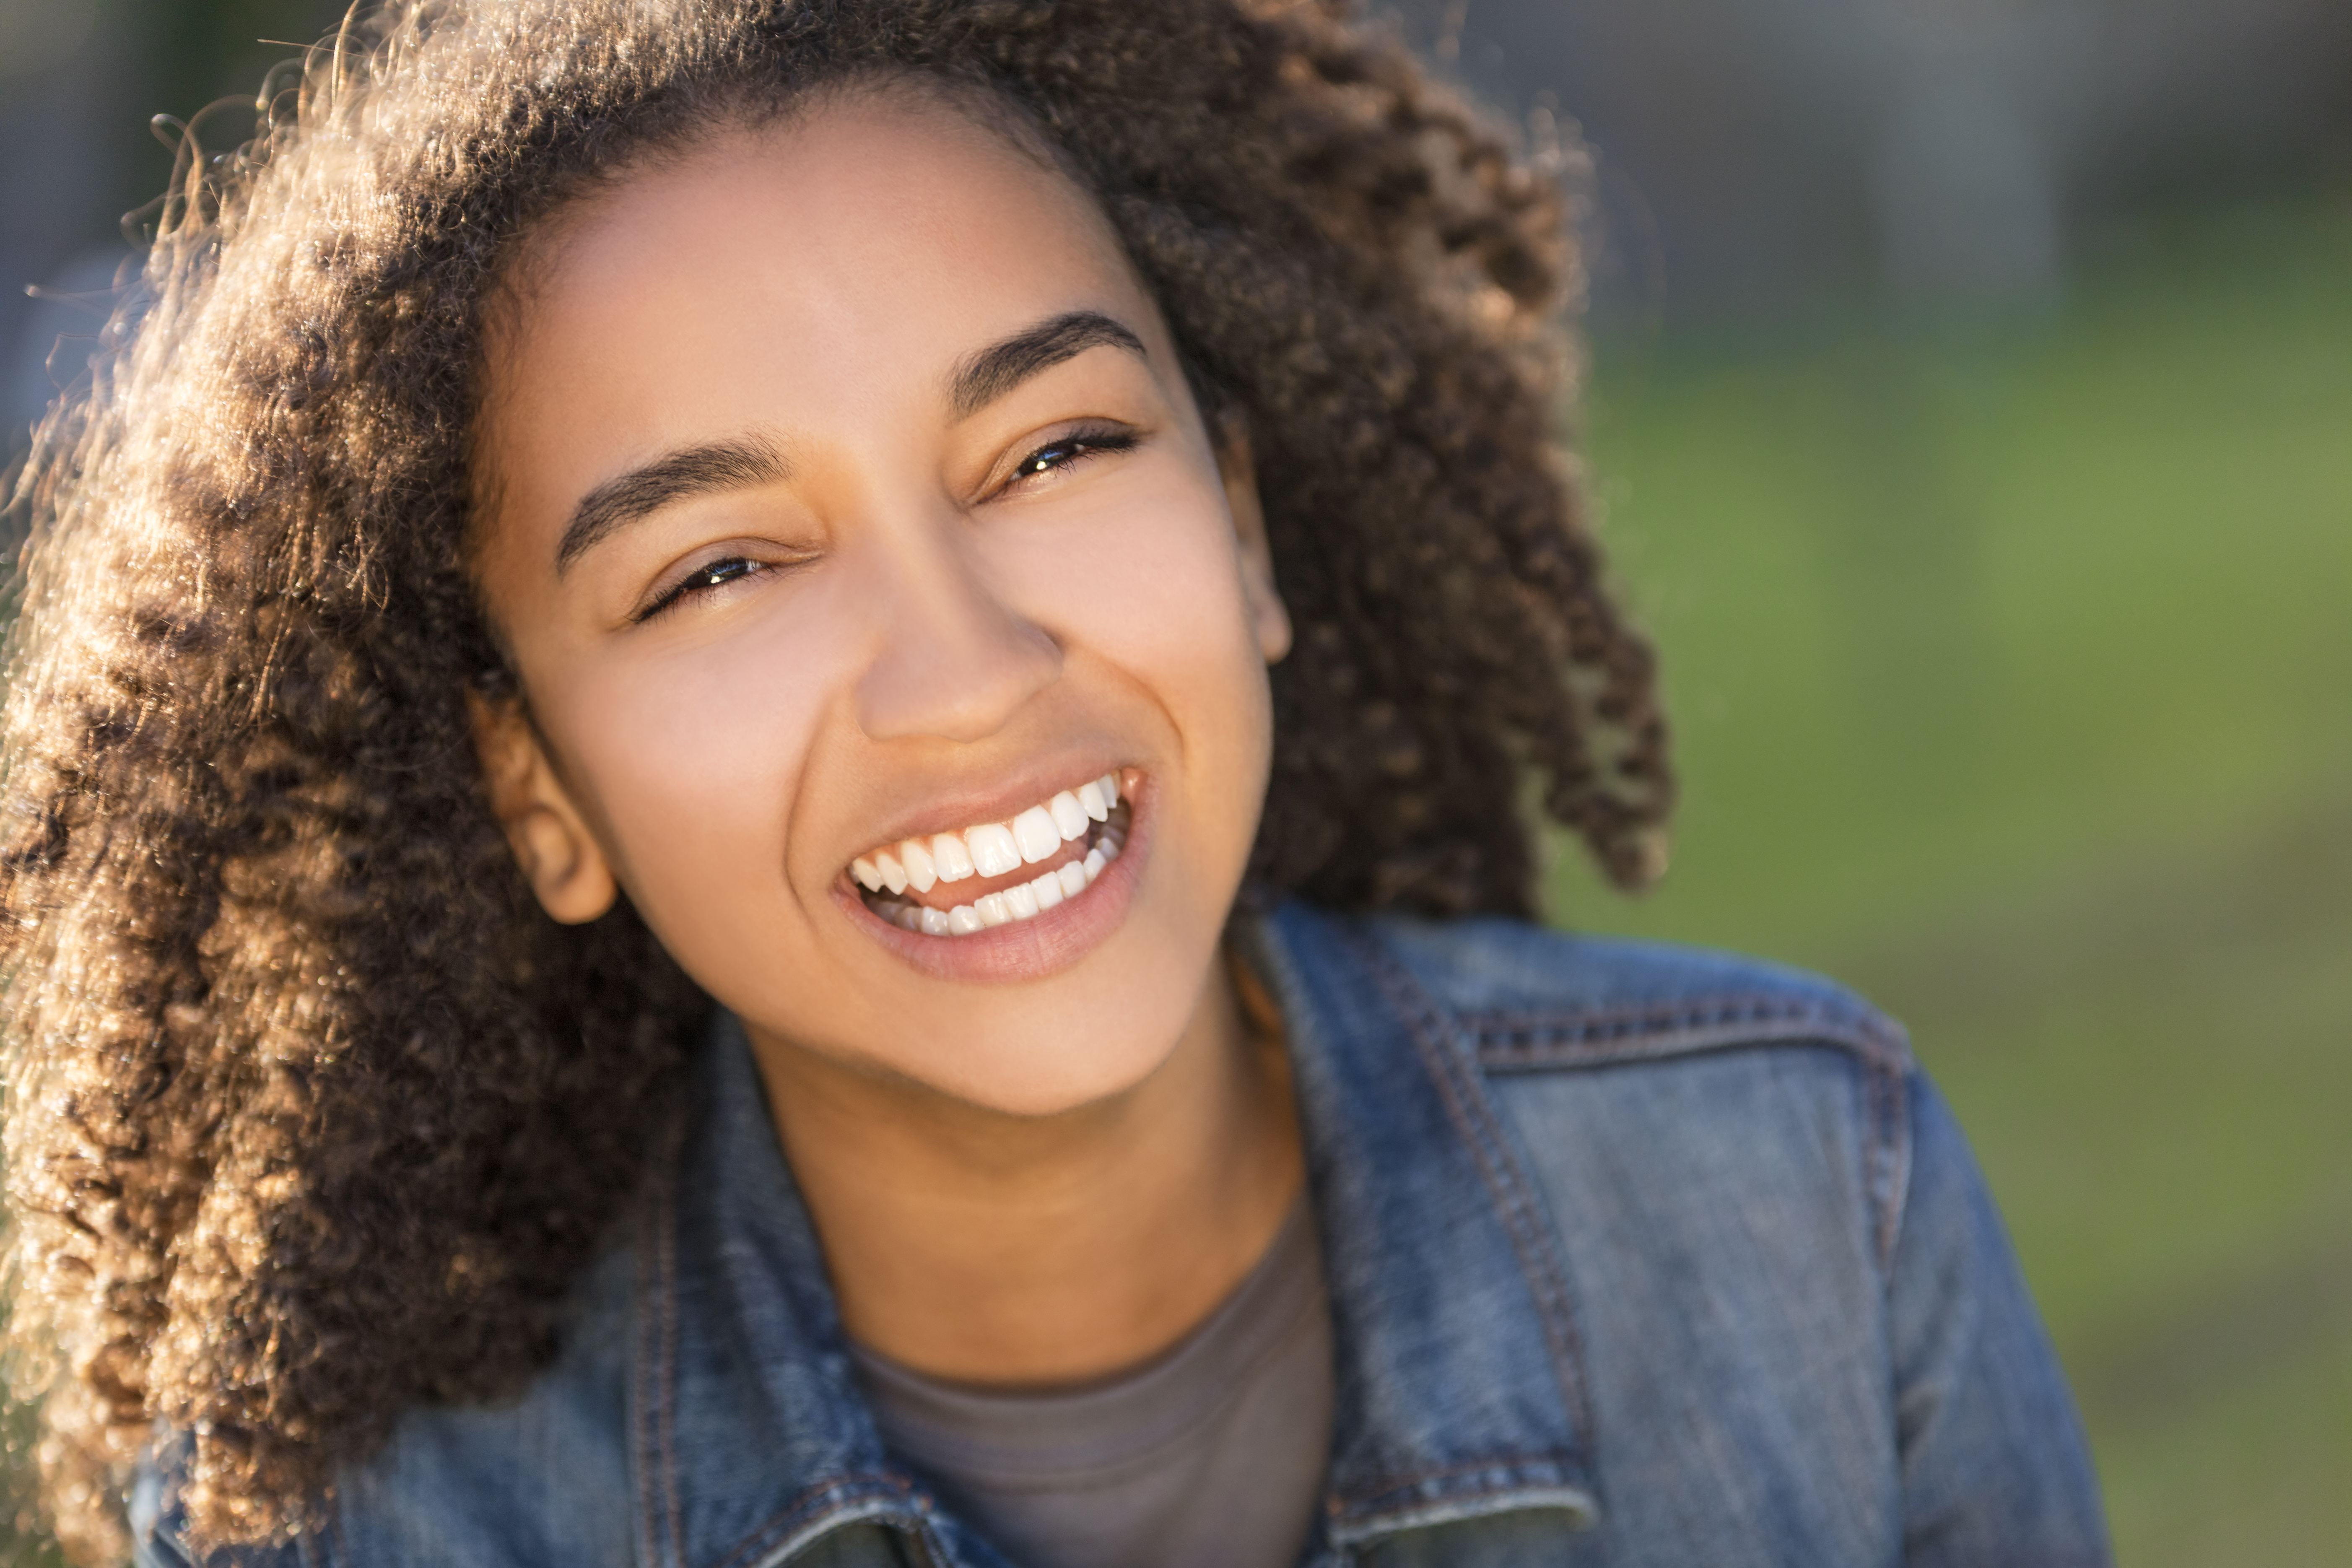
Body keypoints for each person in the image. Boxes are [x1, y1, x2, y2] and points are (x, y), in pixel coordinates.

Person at [0, 2, 2110, 1564]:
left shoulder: (1808, 1210)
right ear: (535, 783)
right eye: (718, 567)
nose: (966, 672)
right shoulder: (365, 1530)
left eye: (1053, 451)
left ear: (1245, 530)